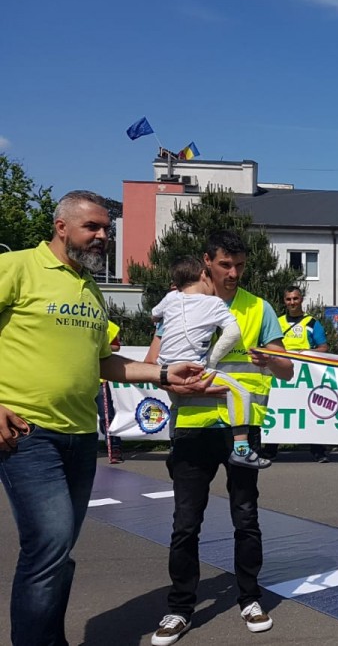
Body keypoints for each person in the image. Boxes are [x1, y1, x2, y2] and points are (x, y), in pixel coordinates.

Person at [0, 190, 209, 646]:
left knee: (58, 552)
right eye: (92, 227)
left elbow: (104, 363)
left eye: (107, 230)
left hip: (79, 437)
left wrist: (165, 372)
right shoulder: (15, 267)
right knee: (49, 546)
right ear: (61, 227)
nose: (102, 237)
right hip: (28, 434)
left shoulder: (90, 289)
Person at [147, 230, 294, 646]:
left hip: (242, 429)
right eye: (226, 265)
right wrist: (177, 385)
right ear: (206, 261)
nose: (234, 273)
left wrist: (273, 359)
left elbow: (287, 370)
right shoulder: (178, 302)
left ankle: (250, 598)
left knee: (246, 518)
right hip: (192, 428)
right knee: (185, 524)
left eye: (241, 266)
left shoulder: (258, 307)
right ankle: (179, 608)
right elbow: (154, 367)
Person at [151, 257, 268, 469]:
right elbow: (233, 333)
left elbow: (153, 314)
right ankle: (242, 449)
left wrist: (162, 319)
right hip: (193, 369)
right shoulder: (213, 303)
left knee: (177, 405)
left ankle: (173, 447)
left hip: (166, 369)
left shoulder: (170, 298)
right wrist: (211, 359)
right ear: (203, 275)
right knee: (241, 394)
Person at [278, 286, 330, 463]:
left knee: (311, 411)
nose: (292, 302)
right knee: (279, 410)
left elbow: (323, 347)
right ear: (284, 301)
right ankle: (270, 449)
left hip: (306, 376)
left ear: (301, 299)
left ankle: (318, 451)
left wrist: (307, 353)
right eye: (288, 299)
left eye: (295, 298)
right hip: (282, 374)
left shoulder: (312, 323)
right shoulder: (277, 322)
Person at [97, 320, 125, 464]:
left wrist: (98, 347)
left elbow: (116, 346)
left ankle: (114, 447)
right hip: (80, 377)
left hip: (101, 378)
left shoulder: (109, 326)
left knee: (107, 416)